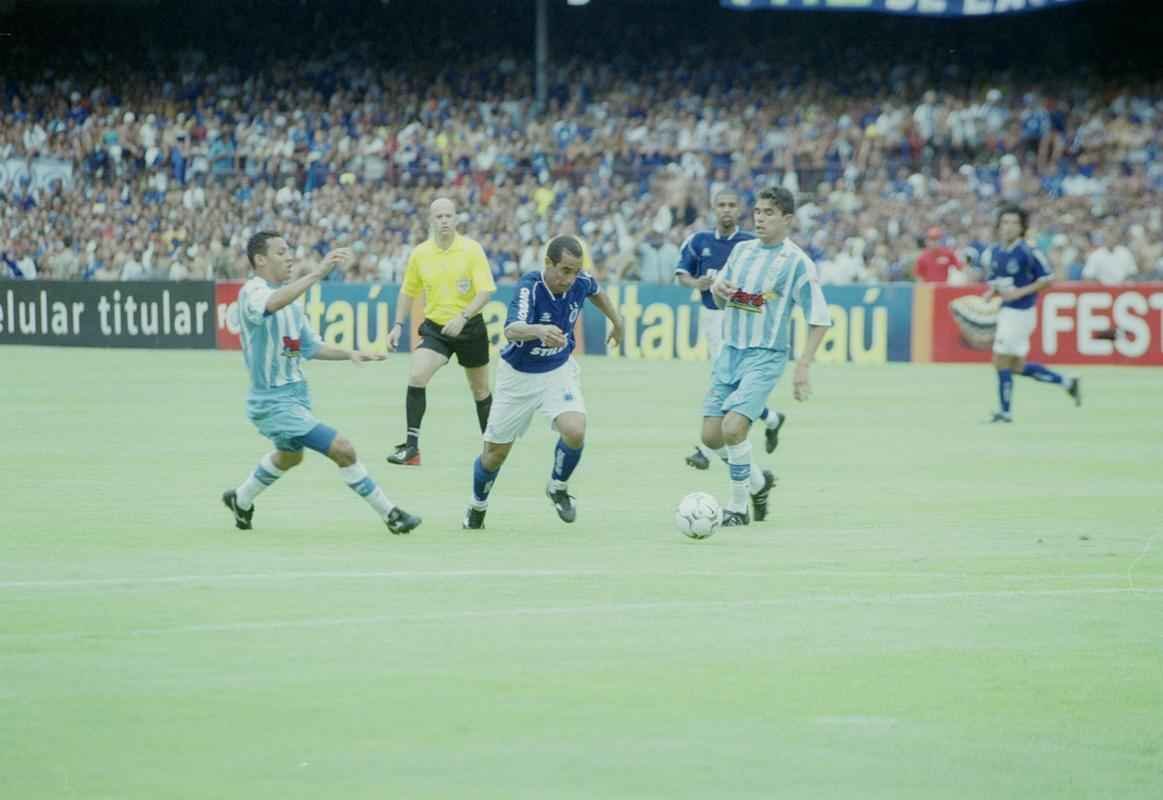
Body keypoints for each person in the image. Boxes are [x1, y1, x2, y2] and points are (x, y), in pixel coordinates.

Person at [222, 231, 422, 535]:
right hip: (273, 401)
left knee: (290, 456)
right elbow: (272, 304)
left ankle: (241, 499)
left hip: (295, 397)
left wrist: (350, 353)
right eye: (280, 252)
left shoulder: (292, 302)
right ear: (260, 260)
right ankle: (391, 515)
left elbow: (311, 347)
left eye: (289, 250)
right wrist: (317, 273)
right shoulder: (253, 291)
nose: (289, 257)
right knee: (343, 449)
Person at [463, 234, 624, 530]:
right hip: (518, 377)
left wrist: (618, 321)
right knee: (494, 455)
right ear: (548, 263)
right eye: (565, 271)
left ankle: (558, 487)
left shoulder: (580, 281)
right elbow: (512, 330)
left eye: (575, 271)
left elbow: (596, 291)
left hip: (557, 371)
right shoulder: (530, 286)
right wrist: (538, 330)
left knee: (575, 430)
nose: (571, 278)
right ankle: (477, 506)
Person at [702, 187, 832, 527]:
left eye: (769, 213)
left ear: (787, 219)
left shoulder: (798, 263)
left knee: (733, 428)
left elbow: (819, 318)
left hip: (765, 355)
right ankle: (759, 483)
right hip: (730, 351)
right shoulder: (742, 251)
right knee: (711, 437)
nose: (759, 218)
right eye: (757, 211)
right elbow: (721, 301)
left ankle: (737, 507)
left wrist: (803, 365)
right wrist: (717, 291)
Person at [675, 189, 786, 472]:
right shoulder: (698, 241)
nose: (726, 210)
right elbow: (681, 275)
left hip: (740, 320)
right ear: (713, 208)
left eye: (732, 205)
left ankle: (706, 449)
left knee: (726, 380)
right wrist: (696, 284)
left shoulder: (750, 243)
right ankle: (771, 418)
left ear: (740, 210)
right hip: (711, 316)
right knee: (729, 380)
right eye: (721, 205)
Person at [386, 197, 497, 466]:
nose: (444, 220)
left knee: (480, 390)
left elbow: (486, 292)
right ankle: (412, 449)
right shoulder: (420, 253)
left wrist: (463, 316)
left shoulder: (471, 250)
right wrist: (397, 326)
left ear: (456, 219)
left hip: (469, 328)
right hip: (437, 329)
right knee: (416, 374)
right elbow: (408, 292)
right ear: (431, 220)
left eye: (449, 215)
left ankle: (494, 448)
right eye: (439, 216)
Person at [982, 205, 1080, 423]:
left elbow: (1047, 279)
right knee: (1015, 366)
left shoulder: (1028, 251)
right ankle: (1065, 382)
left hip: (1021, 313)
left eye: (1014, 223)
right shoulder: (995, 252)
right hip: (1007, 311)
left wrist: (1020, 293)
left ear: (1022, 227)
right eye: (1005, 222)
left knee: (999, 360)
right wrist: (991, 292)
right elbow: (999, 282)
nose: (1008, 227)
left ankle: (1005, 412)